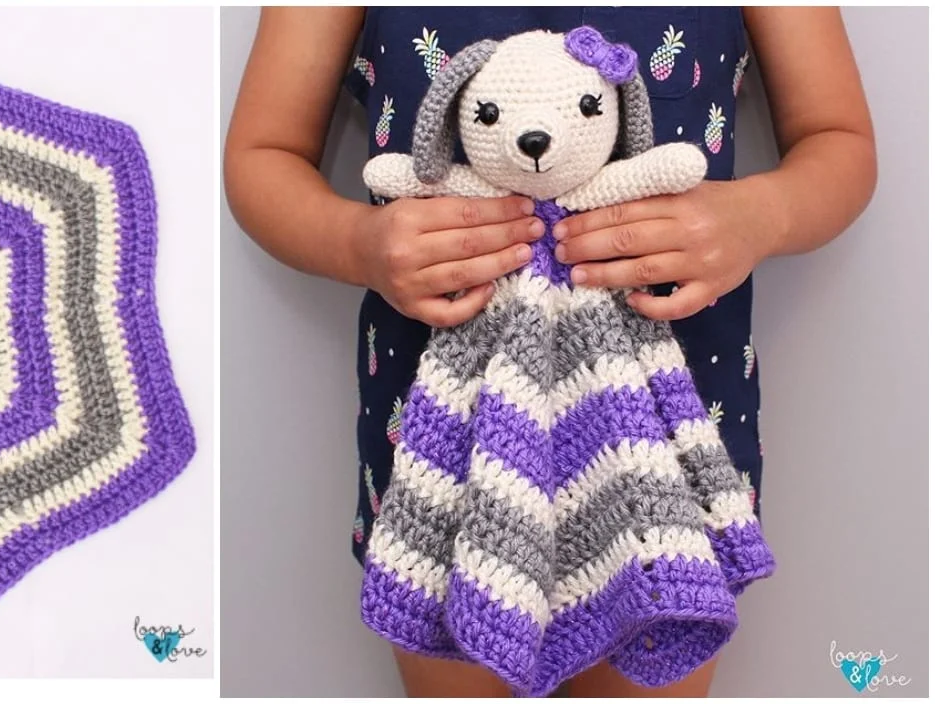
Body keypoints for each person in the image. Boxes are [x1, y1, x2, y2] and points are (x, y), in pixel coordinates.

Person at [224, 6, 876, 697]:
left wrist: (759, 215)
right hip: (445, 444)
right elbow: (262, 154)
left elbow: (838, 140)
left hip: (667, 431)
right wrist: (355, 241)